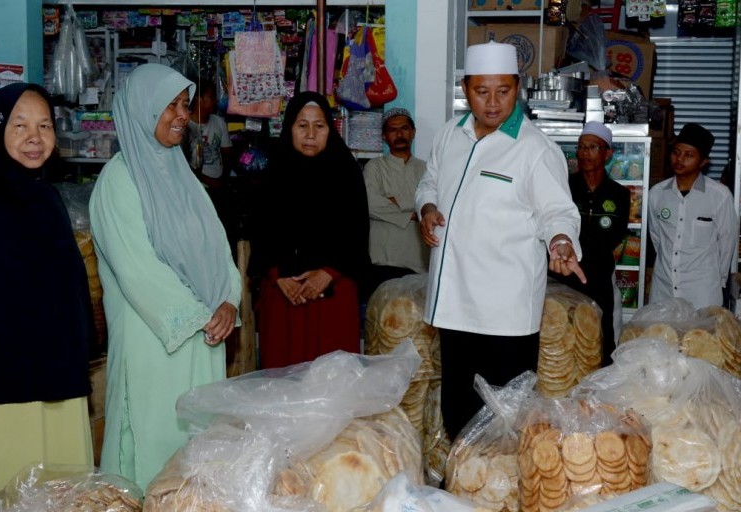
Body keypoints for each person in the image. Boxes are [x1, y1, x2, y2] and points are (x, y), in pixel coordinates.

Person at [415, 42, 585, 440]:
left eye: (503, 91)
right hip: (454, 308)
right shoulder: (449, 135)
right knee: (457, 411)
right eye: (481, 91)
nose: (492, 103)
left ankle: (505, 498)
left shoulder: (534, 150)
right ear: (465, 87)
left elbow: (558, 212)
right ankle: (464, 491)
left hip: (504, 316)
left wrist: (561, 241)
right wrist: (426, 208)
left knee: (505, 422)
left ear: (518, 86)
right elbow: (429, 182)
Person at [89, 64, 241, 491]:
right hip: (153, 343)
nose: (181, 114)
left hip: (205, 336)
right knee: (152, 449)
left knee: (198, 457)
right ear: (142, 109)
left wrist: (228, 300)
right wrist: (199, 317)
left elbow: (218, 247)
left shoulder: (181, 176)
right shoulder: (118, 181)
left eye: (185, 104)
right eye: (170, 105)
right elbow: (138, 268)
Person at [0, 83, 95, 500]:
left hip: (60, 384)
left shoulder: (47, 199)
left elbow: (71, 292)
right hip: (0, 392)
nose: (35, 137)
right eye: (21, 125)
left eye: (45, 126)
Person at [249, 91, 370, 369]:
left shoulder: (346, 174)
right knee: (283, 384)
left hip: (333, 297)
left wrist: (329, 273)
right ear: (290, 127)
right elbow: (261, 233)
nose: (310, 134)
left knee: (332, 385)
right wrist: (278, 276)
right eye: (302, 125)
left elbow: (356, 233)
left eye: (319, 125)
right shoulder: (274, 175)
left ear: (330, 129)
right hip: (283, 298)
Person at [559, 122, 630, 366]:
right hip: (562, 279)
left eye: (592, 147)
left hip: (599, 281)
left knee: (600, 343)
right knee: (560, 341)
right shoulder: (563, 187)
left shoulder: (619, 194)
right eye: (581, 147)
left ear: (608, 153)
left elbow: (615, 236)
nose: (585, 153)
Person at [648, 123, 738, 310]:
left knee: (699, 339)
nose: (679, 159)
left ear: (703, 161)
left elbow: (727, 244)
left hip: (702, 293)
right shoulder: (657, 193)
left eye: (688, 155)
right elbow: (657, 238)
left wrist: (718, 282)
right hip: (663, 289)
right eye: (676, 152)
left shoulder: (719, 196)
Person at [363, 107, 429, 300]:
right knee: (382, 323)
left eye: (404, 128)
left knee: (417, 325)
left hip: (420, 263)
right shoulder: (375, 167)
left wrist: (393, 202)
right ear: (384, 136)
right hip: (384, 262)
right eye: (393, 130)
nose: (399, 134)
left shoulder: (427, 169)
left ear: (413, 132)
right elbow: (370, 203)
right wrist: (412, 212)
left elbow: (437, 204)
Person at [185, 79, 234, 190]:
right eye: (211, 97)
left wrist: (223, 179)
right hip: (195, 187)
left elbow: (228, 153)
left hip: (217, 184)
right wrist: (207, 180)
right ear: (199, 99)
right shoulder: (185, 125)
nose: (215, 101)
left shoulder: (218, 122)